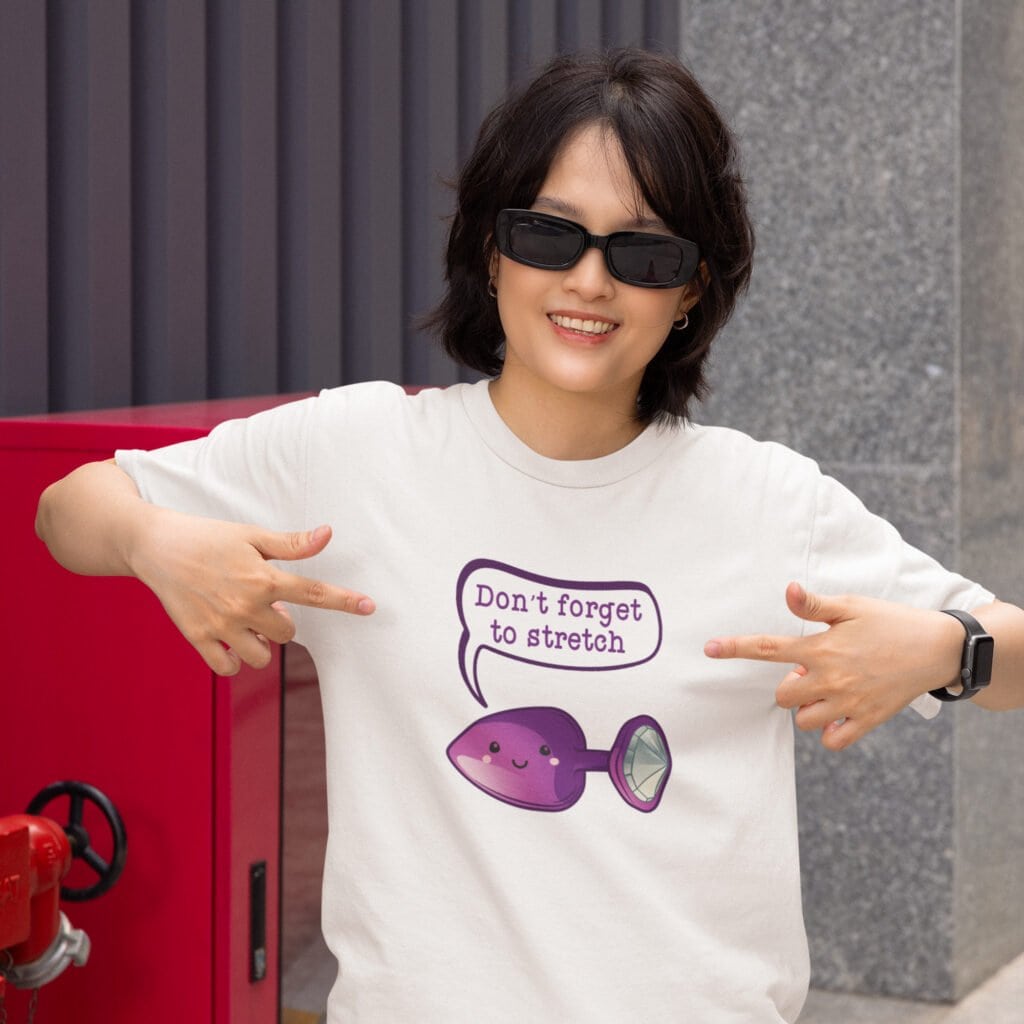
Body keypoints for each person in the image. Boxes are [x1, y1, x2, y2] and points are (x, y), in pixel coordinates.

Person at [35, 48, 1024, 1023]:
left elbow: (1010, 652)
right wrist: (152, 541)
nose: (589, 281)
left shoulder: (763, 500)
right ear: (490, 249)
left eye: (641, 254)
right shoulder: (358, 452)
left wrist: (950, 648)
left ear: (690, 290)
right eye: (550, 235)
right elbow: (67, 508)